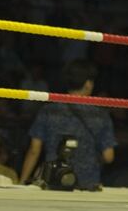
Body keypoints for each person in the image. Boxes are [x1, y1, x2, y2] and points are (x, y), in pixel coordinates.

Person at [19, 59, 116, 190]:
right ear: (88, 84)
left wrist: (22, 182)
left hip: (53, 179)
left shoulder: (49, 110)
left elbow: (34, 150)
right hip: (88, 184)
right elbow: (108, 156)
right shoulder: (101, 115)